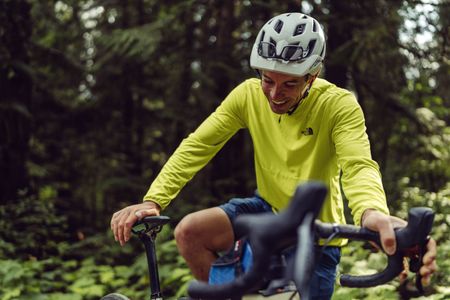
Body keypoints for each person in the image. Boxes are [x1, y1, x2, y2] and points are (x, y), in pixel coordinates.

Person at [110, 13, 437, 299]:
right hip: (266, 208)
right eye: (268, 80)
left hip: (317, 228)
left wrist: (373, 214)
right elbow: (198, 145)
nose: (275, 94)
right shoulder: (247, 96)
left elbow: (358, 165)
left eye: (290, 84)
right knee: (190, 232)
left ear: (313, 76)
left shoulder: (337, 105)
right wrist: (154, 200)